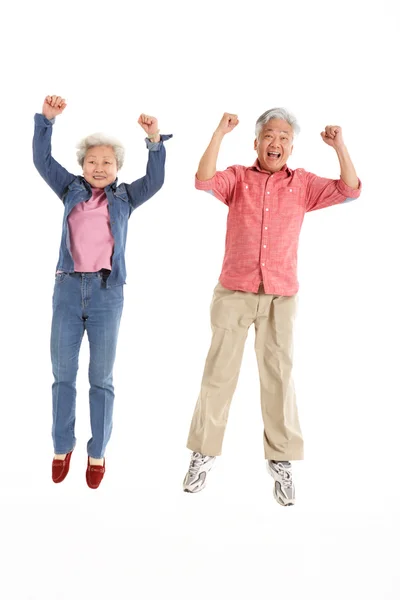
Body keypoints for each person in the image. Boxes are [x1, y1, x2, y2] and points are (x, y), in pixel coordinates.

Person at [183, 108, 361, 506]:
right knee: (218, 376)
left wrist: (339, 146)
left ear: (291, 146)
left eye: (283, 137)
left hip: (282, 294)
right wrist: (218, 132)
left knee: (279, 379)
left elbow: (350, 190)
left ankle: (281, 461)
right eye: (268, 135)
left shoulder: (303, 185)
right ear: (256, 142)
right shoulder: (238, 179)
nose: (275, 143)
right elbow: (203, 179)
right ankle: (203, 453)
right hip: (234, 291)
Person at [33, 95, 172, 489]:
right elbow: (41, 160)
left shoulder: (126, 197)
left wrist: (154, 141)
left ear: (117, 168)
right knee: (62, 375)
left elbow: (156, 180)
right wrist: (47, 121)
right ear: (82, 167)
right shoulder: (69, 190)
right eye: (92, 162)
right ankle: (62, 446)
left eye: (106, 163)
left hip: (107, 294)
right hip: (66, 290)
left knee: (101, 377)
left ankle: (98, 452)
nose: (98, 168)